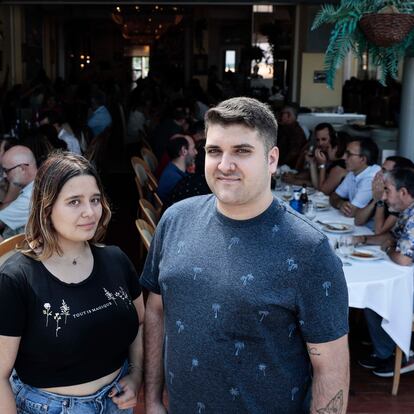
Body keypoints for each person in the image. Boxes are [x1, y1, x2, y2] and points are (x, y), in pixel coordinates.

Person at [141, 97, 349, 413]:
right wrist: (153, 400)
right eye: (214, 151)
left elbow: (330, 369)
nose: (225, 165)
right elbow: (156, 311)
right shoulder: (174, 220)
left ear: (271, 158)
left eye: (242, 151)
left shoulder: (308, 250)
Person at [0, 152, 144, 413]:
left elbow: (141, 323)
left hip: (118, 402)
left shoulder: (116, 260)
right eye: (74, 202)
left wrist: (136, 376)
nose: (90, 212)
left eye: (95, 200)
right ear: (47, 208)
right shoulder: (17, 279)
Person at [353, 167, 414, 377]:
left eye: (387, 190)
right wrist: (361, 240)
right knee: (375, 295)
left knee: (379, 294)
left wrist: (388, 248)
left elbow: (403, 259)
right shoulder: (407, 212)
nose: (384, 196)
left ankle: (402, 354)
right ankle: (384, 350)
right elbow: (389, 236)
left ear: (404, 193)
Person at [354, 156, 414, 233]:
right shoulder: (384, 191)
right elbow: (358, 221)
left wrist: (380, 202)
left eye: (384, 171)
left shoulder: (399, 199)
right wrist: (376, 200)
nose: (378, 174)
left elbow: (379, 231)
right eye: (381, 169)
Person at [330, 137, 381, 217]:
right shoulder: (354, 171)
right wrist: (340, 203)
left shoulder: (371, 178)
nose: (343, 157)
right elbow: (334, 196)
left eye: (349, 154)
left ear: (363, 159)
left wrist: (341, 204)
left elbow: (351, 212)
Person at [0, 146, 37, 241]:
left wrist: (13, 185)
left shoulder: (31, 195)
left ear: (23, 169)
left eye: (6, 171)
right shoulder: (37, 184)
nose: (4, 175)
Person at [308, 126, 348, 195]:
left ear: (335, 148)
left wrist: (322, 165)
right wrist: (312, 163)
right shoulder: (338, 163)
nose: (327, 150)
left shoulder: (339, 168)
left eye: (328, 147)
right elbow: (318, 185)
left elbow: (321, 192)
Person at [157, 135, 197, 204]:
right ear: (184, 151)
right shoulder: (175, 179)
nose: (196, 152)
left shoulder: (172, 169)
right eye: (193, 149)